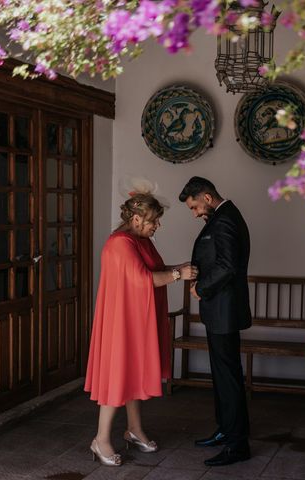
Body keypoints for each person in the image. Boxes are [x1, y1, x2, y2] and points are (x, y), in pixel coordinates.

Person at [84, 192, 196, 467]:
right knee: (117, 375)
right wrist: (177, 275)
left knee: (131, 372)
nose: (157, 226)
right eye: (154, 221)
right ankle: (101, 439)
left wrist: (176, 268)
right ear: (136, 218)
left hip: (136, 318)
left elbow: (153, 270)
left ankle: (133, 429)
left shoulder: (139, 240)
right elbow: (142, 280)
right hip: (122, 321)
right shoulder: (120, 243)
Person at [179, 176, 252, 467]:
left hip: (224, 310)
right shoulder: (223, 217)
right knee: (223, 377)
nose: (195, 213)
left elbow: (227, 266)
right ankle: (225, 431)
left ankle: (237, 446)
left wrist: (201, 287)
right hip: (220, 311)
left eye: (195, 207)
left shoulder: (225, 220)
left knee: (229, 379)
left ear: (207, 198)